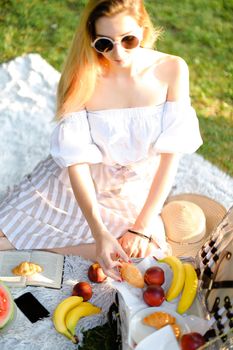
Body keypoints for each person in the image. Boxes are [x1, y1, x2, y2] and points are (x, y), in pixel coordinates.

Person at [0, 0, 202, 281]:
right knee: (6, 228)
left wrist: (141, 226)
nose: (118, 53)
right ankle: (43, 243)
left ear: (142, 30)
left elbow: (170, 158)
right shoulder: (83, 76)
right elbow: (77, 164)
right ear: (92, 41)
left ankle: (41, 244)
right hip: (81, 185)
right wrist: (98, 230)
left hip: (133, 189)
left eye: (128, 39)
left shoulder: (172, 69)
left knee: (146, 250)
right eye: (105, 44)